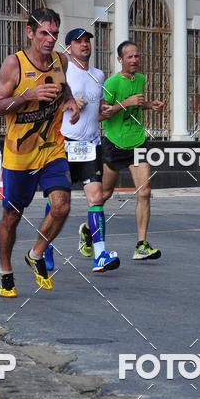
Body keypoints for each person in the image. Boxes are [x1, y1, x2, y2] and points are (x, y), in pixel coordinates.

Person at [0, 7, 80, 297]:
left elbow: (64, 87)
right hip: (20, 154)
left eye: (54, 33)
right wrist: (28, 95)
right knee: (12, 217)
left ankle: (36, 253)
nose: (49, 38)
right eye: (44, 32)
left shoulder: (61, 61)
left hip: (52, 147)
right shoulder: (14, 64)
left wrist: (70, 102)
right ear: (29, 32)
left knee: (62, 205)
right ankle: (6, 270)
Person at [43, 28, 119, 274]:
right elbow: (47, 103)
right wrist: (68, 102)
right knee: (58, 203)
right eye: (78, 41)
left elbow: (96, 110)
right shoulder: (62, 72)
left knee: (96, 198)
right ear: (68, 48)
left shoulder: (99, 74)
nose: (84, 44)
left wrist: (103, 111)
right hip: (64, 144)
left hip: (90, 145)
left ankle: (99, 255)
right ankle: (45, 246)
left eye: (87, 40)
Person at [101, 40, 164, 260]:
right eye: (130, 57)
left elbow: (136, 104)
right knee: (105, 194)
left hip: (137, 142)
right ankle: (88, 231)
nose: (135, 60)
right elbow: (101, 115)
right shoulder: (112, 83)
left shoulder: (141, 79)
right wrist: (124, 103)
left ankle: (141, 245)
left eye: (137, 56)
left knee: (144, 192)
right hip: (114, 143)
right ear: (120, 60)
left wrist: (150, 105)